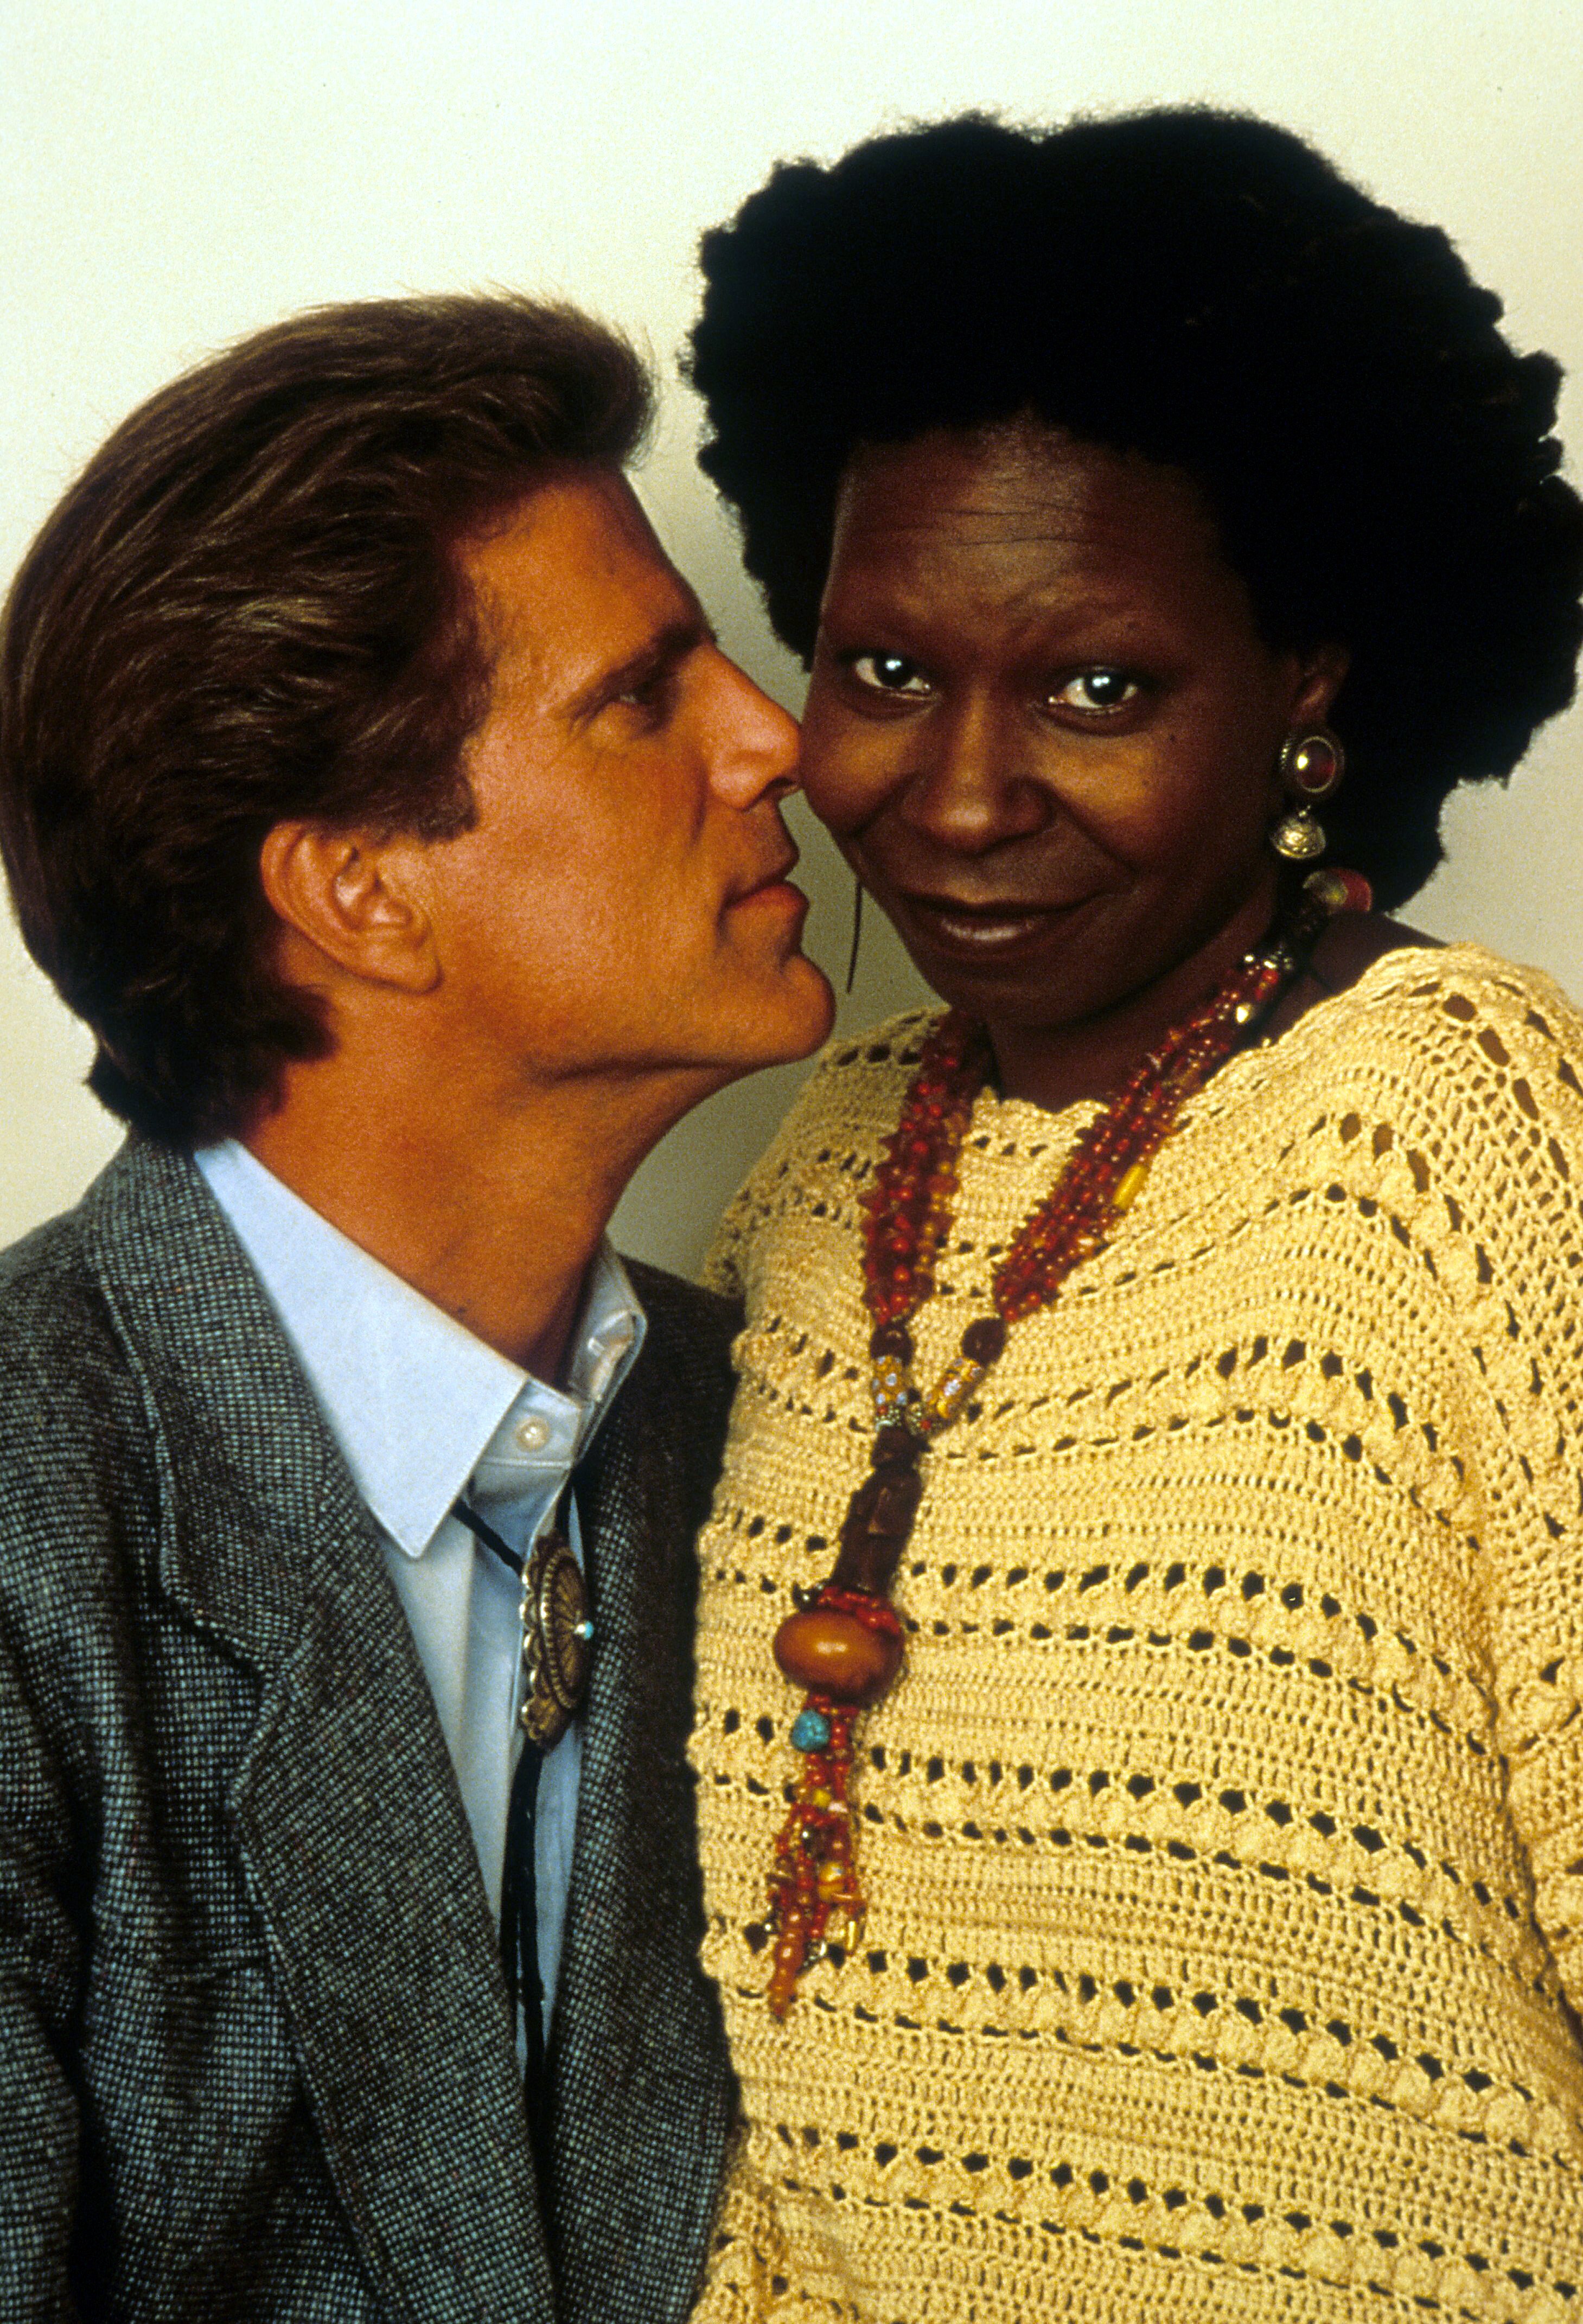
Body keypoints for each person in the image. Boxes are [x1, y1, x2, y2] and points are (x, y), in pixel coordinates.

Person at [679, 112, 1583, 2321]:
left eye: (1097, 687)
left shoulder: (1455, 1129)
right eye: (886, 670)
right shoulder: (823, 1163)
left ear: (1304, 693)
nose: (961, 792)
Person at [0, 292, 835, 2321]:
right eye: (642, 698)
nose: (776, 734)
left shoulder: (784, 1428)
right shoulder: (27, 1510)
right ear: (360, 888)